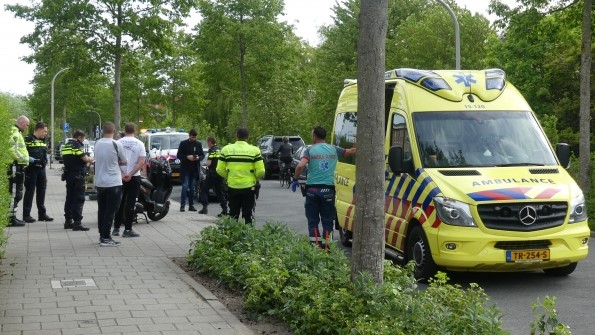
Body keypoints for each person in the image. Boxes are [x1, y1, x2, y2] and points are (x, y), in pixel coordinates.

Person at [292, 126, 356, 248]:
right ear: (325, 137)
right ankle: (327, 247)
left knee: (313, 221)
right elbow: (350, 152)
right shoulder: (334, 149)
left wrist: (295, 178)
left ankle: (315, 248)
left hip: (312, 190)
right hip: (328, 191)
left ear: (314, 136)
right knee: (327, 222)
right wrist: (358, 145)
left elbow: (300, 166)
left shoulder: (309, 150)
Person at [216, 128, 264, 225]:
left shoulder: (226, 149)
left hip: (233, 186)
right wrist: (254, 178)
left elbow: (219, 169)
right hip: (249, 187)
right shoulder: (254, 150)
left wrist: (229, 176)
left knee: (233, 214)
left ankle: (233, 236)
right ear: (248, 137)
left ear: (236, 137)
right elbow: (261, 171)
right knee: (248, 214)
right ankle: (248, 235)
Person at [94, 122, 127, 246]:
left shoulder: (97, 143)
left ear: (102, 131)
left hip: (100, 182)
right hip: (113, 181)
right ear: (114, 130)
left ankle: (102, 234)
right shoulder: (116, 144)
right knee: (111, 210)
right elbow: (124, 161)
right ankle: (106, 237)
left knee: (102, 209)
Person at [113, 122, 145, 238]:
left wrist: (122, 174)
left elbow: (114, 160)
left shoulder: (117, 143)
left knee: (119, 202)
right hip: (134, 176)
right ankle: (127, 229)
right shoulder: (140, 144)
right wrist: (131, 174)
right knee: (131, 203)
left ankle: (116, 228)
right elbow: (141, 161)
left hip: (119, 177)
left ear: (124, 130)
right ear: (134, 131)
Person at [61, 130, 94, 231]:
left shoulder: (66, 145)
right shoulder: (76, 145)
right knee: (79, 199)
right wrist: (91, 159)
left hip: (69, 174)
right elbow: (85, 159)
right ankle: (77, 223)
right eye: (83, 139)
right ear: (79, 137)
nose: (83, 141)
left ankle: (68, 221)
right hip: (78, 175)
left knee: (69, 198)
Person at [22, 122, 53, 223]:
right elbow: (23, 153)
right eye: (44, 131)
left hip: (41, 169)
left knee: (42, 191)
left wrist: (45, 160)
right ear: (39, 129)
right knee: (30, 191)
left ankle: (42, 214)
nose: (45, 133)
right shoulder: (27, 139)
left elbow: (44, 153)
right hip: (31, 169)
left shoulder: (44, 140)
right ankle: (26, 215)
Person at [7, 116, 30, 227]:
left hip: (17, 166)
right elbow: (12, 149)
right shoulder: (15, 133)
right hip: (16, 166)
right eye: (27, 124)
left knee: (17, 193)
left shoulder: (17, 132)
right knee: (15, 193)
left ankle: (13, 216)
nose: (27, 127)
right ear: (22, 123)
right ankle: (10, 218)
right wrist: (23, 159)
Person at [198, 136, 228, 216]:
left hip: (212, 174)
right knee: (219, 192)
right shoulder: (220, 150)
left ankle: (205, 208)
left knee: (204, 189)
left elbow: (209, 163)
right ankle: (225, 210)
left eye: (208, 143)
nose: (208, 144)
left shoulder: (212, 151)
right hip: (220, 174)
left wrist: (204, 164)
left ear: (210, 142)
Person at [177, 129, 204, 212]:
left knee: (192, 188)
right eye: (192, 137)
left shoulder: (198, 144)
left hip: (194, 169)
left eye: (195, 137)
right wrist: (187, 157)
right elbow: (179, 155)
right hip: (185, 168)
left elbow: (202, 155)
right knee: (185, 186)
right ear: (189, 136)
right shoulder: (183, 143)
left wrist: (198, 158)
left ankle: (191, 205)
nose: (194, 139)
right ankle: (182, 205)